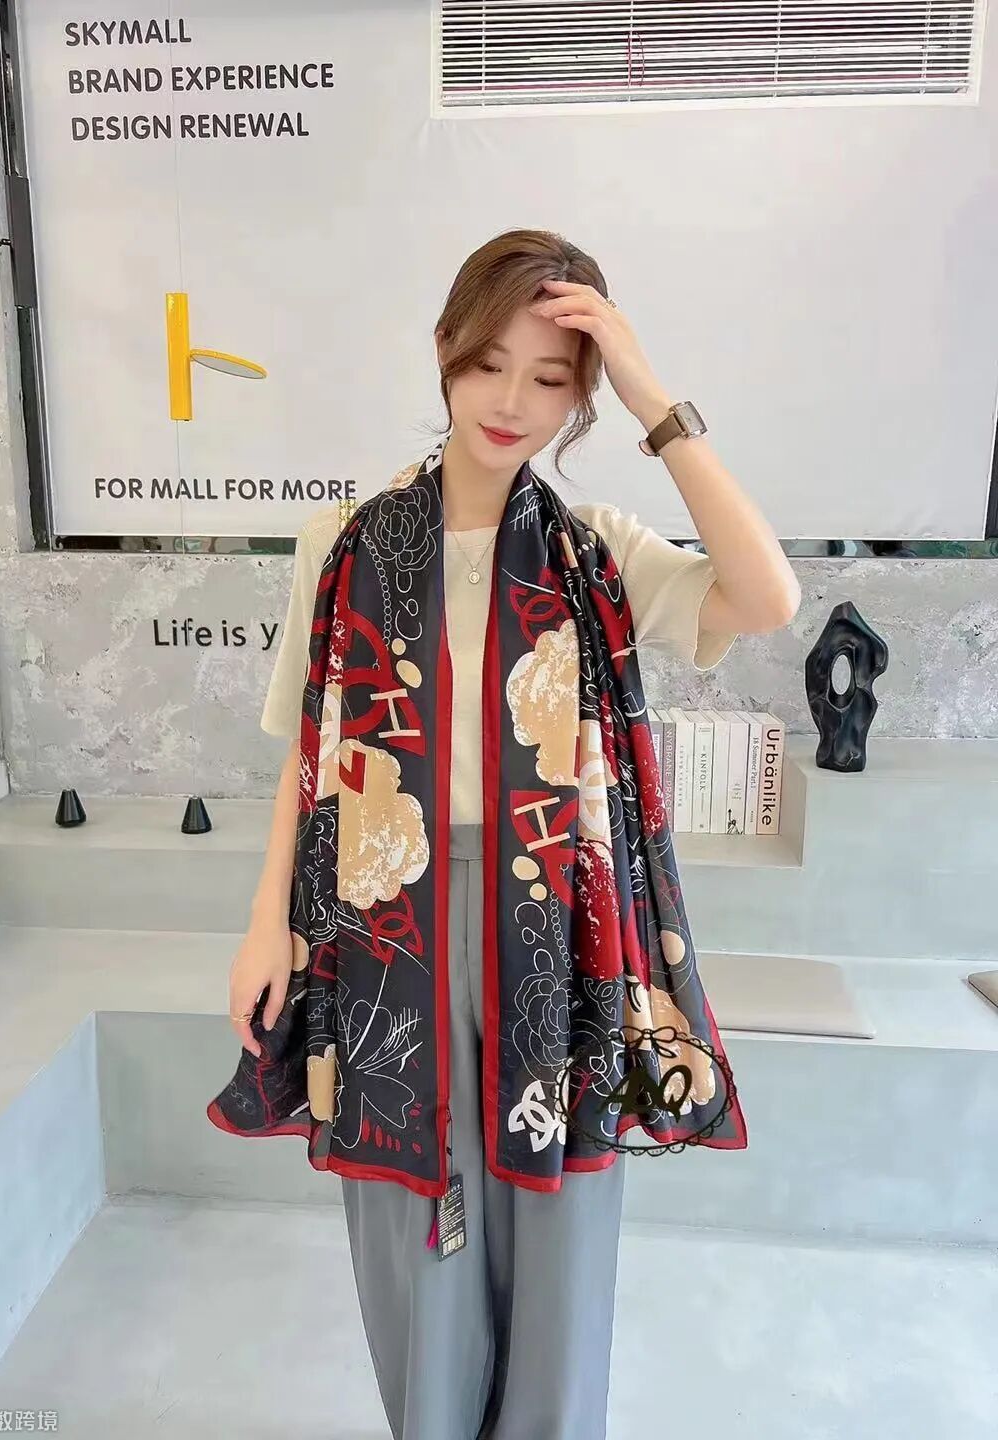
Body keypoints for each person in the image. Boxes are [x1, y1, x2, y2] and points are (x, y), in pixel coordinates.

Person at [222, 229, 799, 1440]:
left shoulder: (598, 551)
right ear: (444, 351)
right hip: (385, 923)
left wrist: (651, 394)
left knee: (561, 1235)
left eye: (550, 379)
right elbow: (309, 760)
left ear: (582, 398)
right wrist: (266, 924)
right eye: (488, 363)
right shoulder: (345, 542)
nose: (510, 402)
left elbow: (766, 595)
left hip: (560, 927)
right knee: (410, 1229)